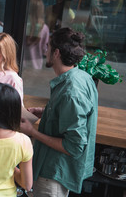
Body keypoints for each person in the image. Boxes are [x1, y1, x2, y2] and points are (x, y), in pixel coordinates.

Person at [20, 27, 98, 196]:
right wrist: (45, 111)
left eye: (47, 46)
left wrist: (32, 131)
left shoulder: (72, 92)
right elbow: (69, 115)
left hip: (53, 175)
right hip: (54, 171)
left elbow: (74, 146)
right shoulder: (81, 76)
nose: (44, 49)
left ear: (56, 53)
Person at [24, 0, 50, 69]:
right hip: (36, 66)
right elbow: (45, 50)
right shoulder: (44, 28)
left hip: (21, 65)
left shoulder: (23, 26)